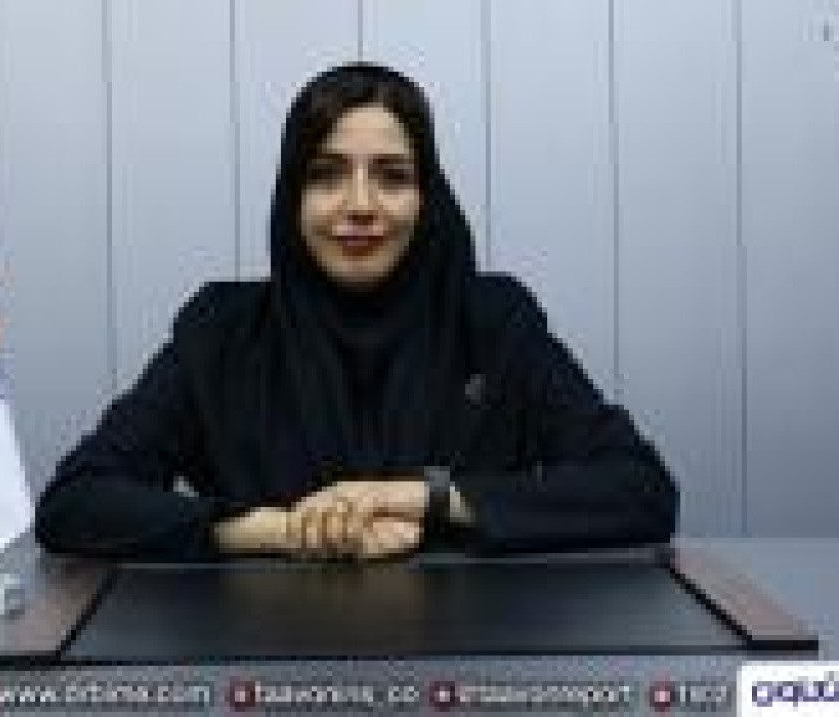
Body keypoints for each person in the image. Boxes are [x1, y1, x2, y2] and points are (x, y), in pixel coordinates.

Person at [34, 63, 677, 562]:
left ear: (428, 197)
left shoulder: (493, 322)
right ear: (292, 197)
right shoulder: (221, 333)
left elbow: (639, 489)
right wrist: (280, 530)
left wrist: (422, 498)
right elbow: (76, 502)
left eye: (392, 176)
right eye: (326, 174)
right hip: (264, 659)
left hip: (471, 659)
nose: (360, 205)